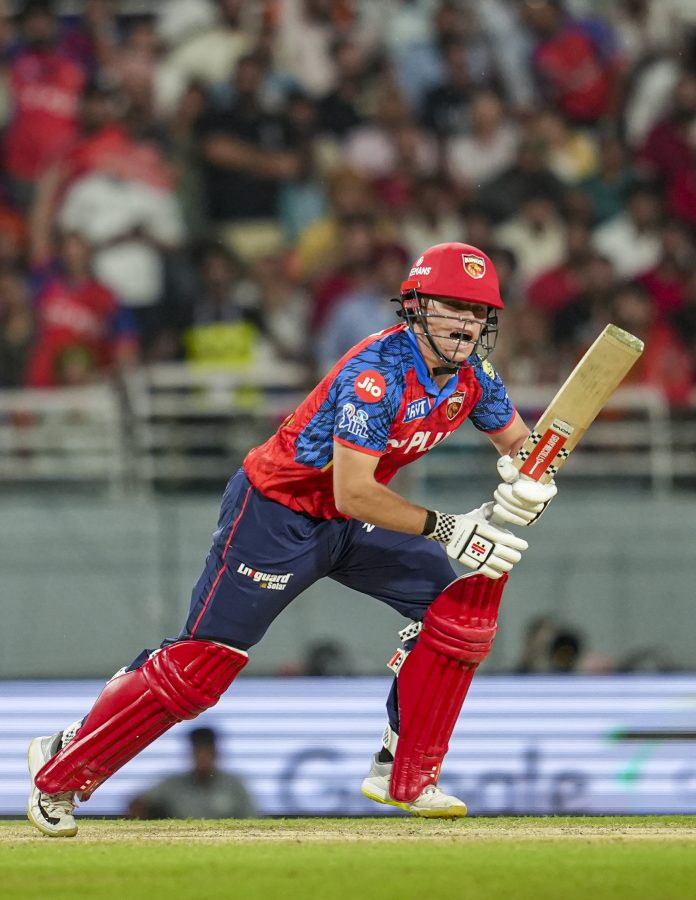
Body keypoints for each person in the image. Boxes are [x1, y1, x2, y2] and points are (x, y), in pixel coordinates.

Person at [27, 242, 557, 837]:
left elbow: (522, 447)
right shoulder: (377, 375)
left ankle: (403, 772)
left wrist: (533, 482)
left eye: (477, 312)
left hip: (346, 522)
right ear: (415, 306)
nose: (465, 323)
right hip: (277, 515)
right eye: (451, 307)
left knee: (455, 614)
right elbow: (354, 492)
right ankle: (63, 765)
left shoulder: (475, 378)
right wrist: (448, 527)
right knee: (201, 668)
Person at [127, 727, 256, 820]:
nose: (202, 759)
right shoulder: (173, 784)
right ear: (191, 755)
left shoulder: (233, 785)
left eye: (207, 754)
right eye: (198, 753)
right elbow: (138, 804)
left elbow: (250, 817)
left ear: (216, 754)